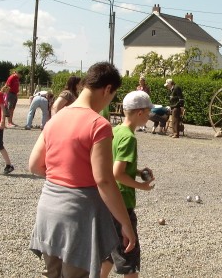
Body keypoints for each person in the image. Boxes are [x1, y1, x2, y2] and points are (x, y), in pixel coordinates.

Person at [28, 62, 136, 277]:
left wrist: (64, 177)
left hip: (48, 212)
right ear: (107, 89)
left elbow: (34, 165)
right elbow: (104, 180)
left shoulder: (56, 117)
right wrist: (125, 223)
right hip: (77, 218)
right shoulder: (98, 124)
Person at [101, 90, 156, 278]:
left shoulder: (116, 131)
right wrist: (142, 187)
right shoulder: (129, 138)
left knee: (108, 255)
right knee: (129, 259)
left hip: (108, 203)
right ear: (140, 113)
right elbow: (118, 173)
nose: (149, 116)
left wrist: (138, 172)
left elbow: (113, 164)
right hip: (123, 204)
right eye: (148, 113)